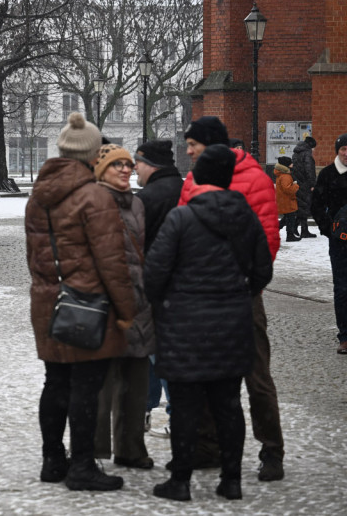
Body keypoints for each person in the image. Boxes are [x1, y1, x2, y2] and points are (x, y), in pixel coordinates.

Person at [146, 144, 273, 502]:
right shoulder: (246, 217)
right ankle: (231, 480)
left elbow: (154, 274)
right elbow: (262, 271)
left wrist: (170, 302)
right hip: (232, 327)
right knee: (228, 405)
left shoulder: (180, 219)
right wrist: (237, 296)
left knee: (185, 407)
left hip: (184, 328)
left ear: (199, 176)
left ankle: (180, 481)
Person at [25, 112, 136, 492]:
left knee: (55, 381)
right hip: (87, 303)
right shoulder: (94, 196)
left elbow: (34, 255)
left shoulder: (38, 196)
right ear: (92, 153)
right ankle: (83, 466)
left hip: (47, 299)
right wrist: (126, 311)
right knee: (86, 387)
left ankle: (53, 460)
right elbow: (112, 262)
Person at [178, 115, 284, 481]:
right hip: (202, 295)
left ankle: (272, 450)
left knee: (257, 376)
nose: (188, 151)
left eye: (193, 145)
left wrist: (247, 285)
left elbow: (267, 240)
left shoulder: (255, 178)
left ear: (211, 145)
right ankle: (208, 447)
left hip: (243, 294)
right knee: (207, 372)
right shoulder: (191, 180)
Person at [91, 145, 154, 471]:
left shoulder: (138, 203)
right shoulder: (92, 202)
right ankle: (94, 451)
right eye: (117, 165)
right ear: (102, 170)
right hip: (104, 303)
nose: (126, 170)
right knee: (101, 381)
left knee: (136, 379)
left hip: (138, 302)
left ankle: (131, 448)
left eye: (128, 165)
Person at [133, 139, 182, 437]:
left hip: (152, 285)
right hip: (179, 286)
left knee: (155, 354)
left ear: (151, 165)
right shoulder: (184, 189)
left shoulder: (146, 198)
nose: (134, 169)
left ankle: (163, 413)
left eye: (138, 163)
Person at [310, 132, 347, 355]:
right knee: (342, 288)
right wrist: (329, 229)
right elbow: (316, 205)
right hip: (340, 242)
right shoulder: (327, 174)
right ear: (338, 151)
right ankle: (345, 335)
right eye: (343, 149)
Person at [292, 135, 318, 237]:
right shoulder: (307, 153)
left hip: (298, 182)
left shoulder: (296, 153)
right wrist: (312, 184)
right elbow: (309, 170)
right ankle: (301, 229)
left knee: (302, 206)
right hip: (306, 183)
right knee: (305, 206)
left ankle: (301, 229)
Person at [274, 156, 300, 242]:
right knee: (291, 218)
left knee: (287, 218)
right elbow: (288, 189)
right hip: (287, 200)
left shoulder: (281, 174)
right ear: (286, 165)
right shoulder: (285, 176)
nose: (292, 164)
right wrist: (296, 185)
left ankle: (275, 230)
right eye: (290, 163)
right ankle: (290, 235)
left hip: (284, 199)